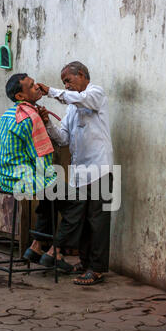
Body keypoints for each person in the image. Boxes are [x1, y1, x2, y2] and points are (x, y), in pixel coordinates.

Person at [0, 73, 82, 272]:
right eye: (31, 86)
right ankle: (55, 251)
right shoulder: (31, 118)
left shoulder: (8, 114)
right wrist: (53, 180)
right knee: (77, 200)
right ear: (20, 96)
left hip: (5, 178)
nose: (37, 87)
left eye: (35, 84)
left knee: (51, 194)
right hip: (23, 180)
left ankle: (35, 247)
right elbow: (42, 159)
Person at [38, 61, 114, 285]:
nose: (67, 86)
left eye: (68, 81)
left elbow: (82, 99)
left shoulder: (95, 93)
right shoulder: (71, 107)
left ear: (81, 75)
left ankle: (97, 269)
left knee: (98, 220)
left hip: (100, 167)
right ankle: (85, 262)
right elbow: (62, 139)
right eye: (64, 83)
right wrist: (47, 123)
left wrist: (51, 92)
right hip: (80, 172)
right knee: (82, 219)